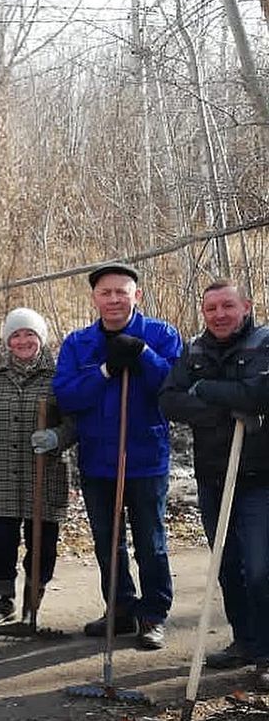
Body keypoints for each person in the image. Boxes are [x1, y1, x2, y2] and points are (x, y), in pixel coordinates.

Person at [53, 264, 182, 649]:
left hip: (145, 454)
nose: (113, 299)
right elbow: (68, 395)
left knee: (150, 541)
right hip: (98, 458)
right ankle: (120, 609)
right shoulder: (78, 344)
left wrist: (142, 355)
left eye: (121, 292)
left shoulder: (160, 335)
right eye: (105, 293)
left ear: (136, 296)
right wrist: (106, 371)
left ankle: (153, 614)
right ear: (94, 299)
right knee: (107, 540)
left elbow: (173, 388)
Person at [160, 279, 269, 689]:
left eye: (227, 306)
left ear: (246, 306)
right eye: (211, 309)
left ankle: (266, 652)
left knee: (260, 569)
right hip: (214, 475)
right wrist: (224, 408)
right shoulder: (195, 351)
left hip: (260, 477)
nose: (219, 315)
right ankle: (246, 641)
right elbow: (169, 400)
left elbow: (262, 393)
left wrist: (205, 390)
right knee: (229, 566)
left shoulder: (264, 344)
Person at [0, 308, 75, 628]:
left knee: (42, 544)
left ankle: (34, 602)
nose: (22, 341)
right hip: (1, 474)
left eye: (29, 334)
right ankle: (3, 600)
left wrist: (57, 436)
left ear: (41, 338)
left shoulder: (60, 377)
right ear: (8, 340)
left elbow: (76, 425)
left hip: (43, 475)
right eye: (15, 335)